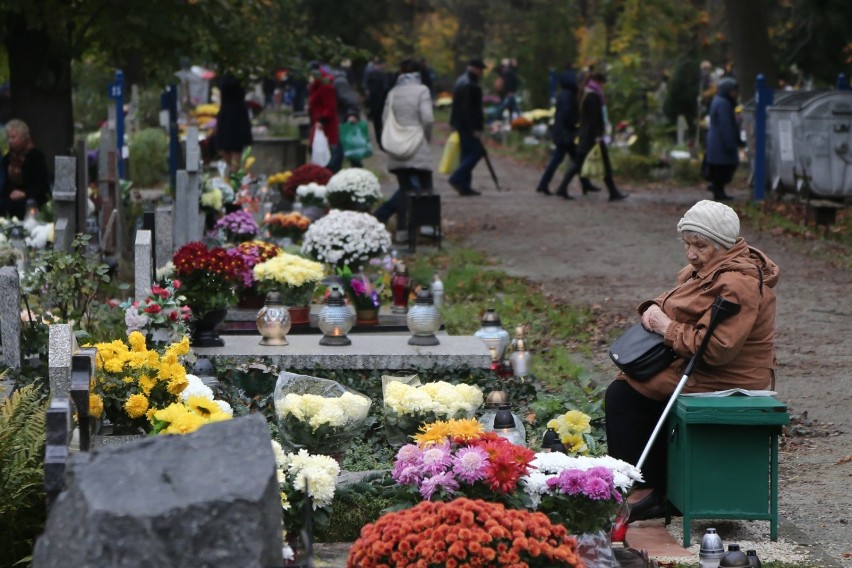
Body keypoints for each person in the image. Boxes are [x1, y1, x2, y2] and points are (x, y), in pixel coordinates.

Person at [604, 200, 780, 522]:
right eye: (687, 244)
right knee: (632, 382)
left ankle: (646, 492)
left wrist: (663, 325)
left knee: (626, 393)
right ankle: (659, 486)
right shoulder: (707, 270)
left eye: (700, 245)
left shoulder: (736, 283)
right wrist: (653, 310)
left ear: (723, 245)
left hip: (730, 375)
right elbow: (674, 300)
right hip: (706, 366)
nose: (691, 253)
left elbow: (715, 349)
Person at [373, 58, 434, 243]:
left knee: (404, 190)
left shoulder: (393, 92)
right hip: (417, 145)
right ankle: (426, 226)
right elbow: (428, 118)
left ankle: (401, 231)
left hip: (398, 149)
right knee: (425, 187)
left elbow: (384, 118)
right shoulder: (422, 90)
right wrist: (425, 137)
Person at [554, 70, 627, 201]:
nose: (603, 87)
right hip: (592, 136)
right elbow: (594, 118)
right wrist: (598, 136)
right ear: (598, 82)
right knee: (589, 163)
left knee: (580, 163)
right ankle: (613, 192)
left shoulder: (586, 93)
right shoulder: (593, 95)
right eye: (603, 84)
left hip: (587, 135)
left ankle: (563, 188)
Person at [535, 67, 600, 196]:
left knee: (575, 159)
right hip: (565, 134)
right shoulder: (568, 96)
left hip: (563, 133)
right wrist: (576, 125)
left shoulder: (564, 94)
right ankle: (548, 185)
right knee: (565, 160)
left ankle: (584, 184)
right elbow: (567, 115)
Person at [448, 58, 487, 197]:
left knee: (466, 155)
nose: (481, 72)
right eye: (480, 69)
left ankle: (464, 186)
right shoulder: (470, 85)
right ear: (475, 69)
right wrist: (474, 129)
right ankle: (457, 178)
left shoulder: (461, 81)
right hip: (468, 126)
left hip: (460, 125)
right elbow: (469, 110)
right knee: (475, 153)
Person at [704, 77, 744, 201]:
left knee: (720, 168)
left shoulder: (720, 101)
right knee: (723, 168)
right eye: (734, 90)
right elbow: (725, 124)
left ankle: (718, 189)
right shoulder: (723, 103)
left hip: (718, 141)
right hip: (721, 142)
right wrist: (731, 143)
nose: (736, 93)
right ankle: (718, 190)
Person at [1, 119, 50, 220]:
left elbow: (41, 185)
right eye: (9, 137)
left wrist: (24, 193)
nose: (10, 141)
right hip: (12, 197)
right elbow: (6, 184)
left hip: (33, 197)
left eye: (13, 137)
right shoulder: (8, 158)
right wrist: (11, 194)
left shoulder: (35, 155)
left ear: (24, 137)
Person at [214, 73, 253, 173]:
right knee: (223, 148)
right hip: (226, 113)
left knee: (236, 148)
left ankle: (234, 173)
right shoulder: (224, 75)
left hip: (237, 115)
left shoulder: (240, 77)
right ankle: (233, 170)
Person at [307, 62, 340, 172]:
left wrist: (322, 120)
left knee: (325, 151)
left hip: (324, 125)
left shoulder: (324, 86)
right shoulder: (317, 86)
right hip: (319, 123)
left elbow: (330, 106)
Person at [331, 66, 363, 170]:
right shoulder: (338, 81)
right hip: (341, 121)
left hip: (342, 122)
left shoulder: (338, 82)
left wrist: (352, 114)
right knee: (348, 152)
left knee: (340, 153)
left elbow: (350, 100)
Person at [364, 58, 391, 151]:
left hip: (381, 100)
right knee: (378, 121)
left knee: (382, 121)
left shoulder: (383, 74)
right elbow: (367, 86)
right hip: (375, 100)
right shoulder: (372, 74)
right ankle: (380, 140)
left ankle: (383, 139)